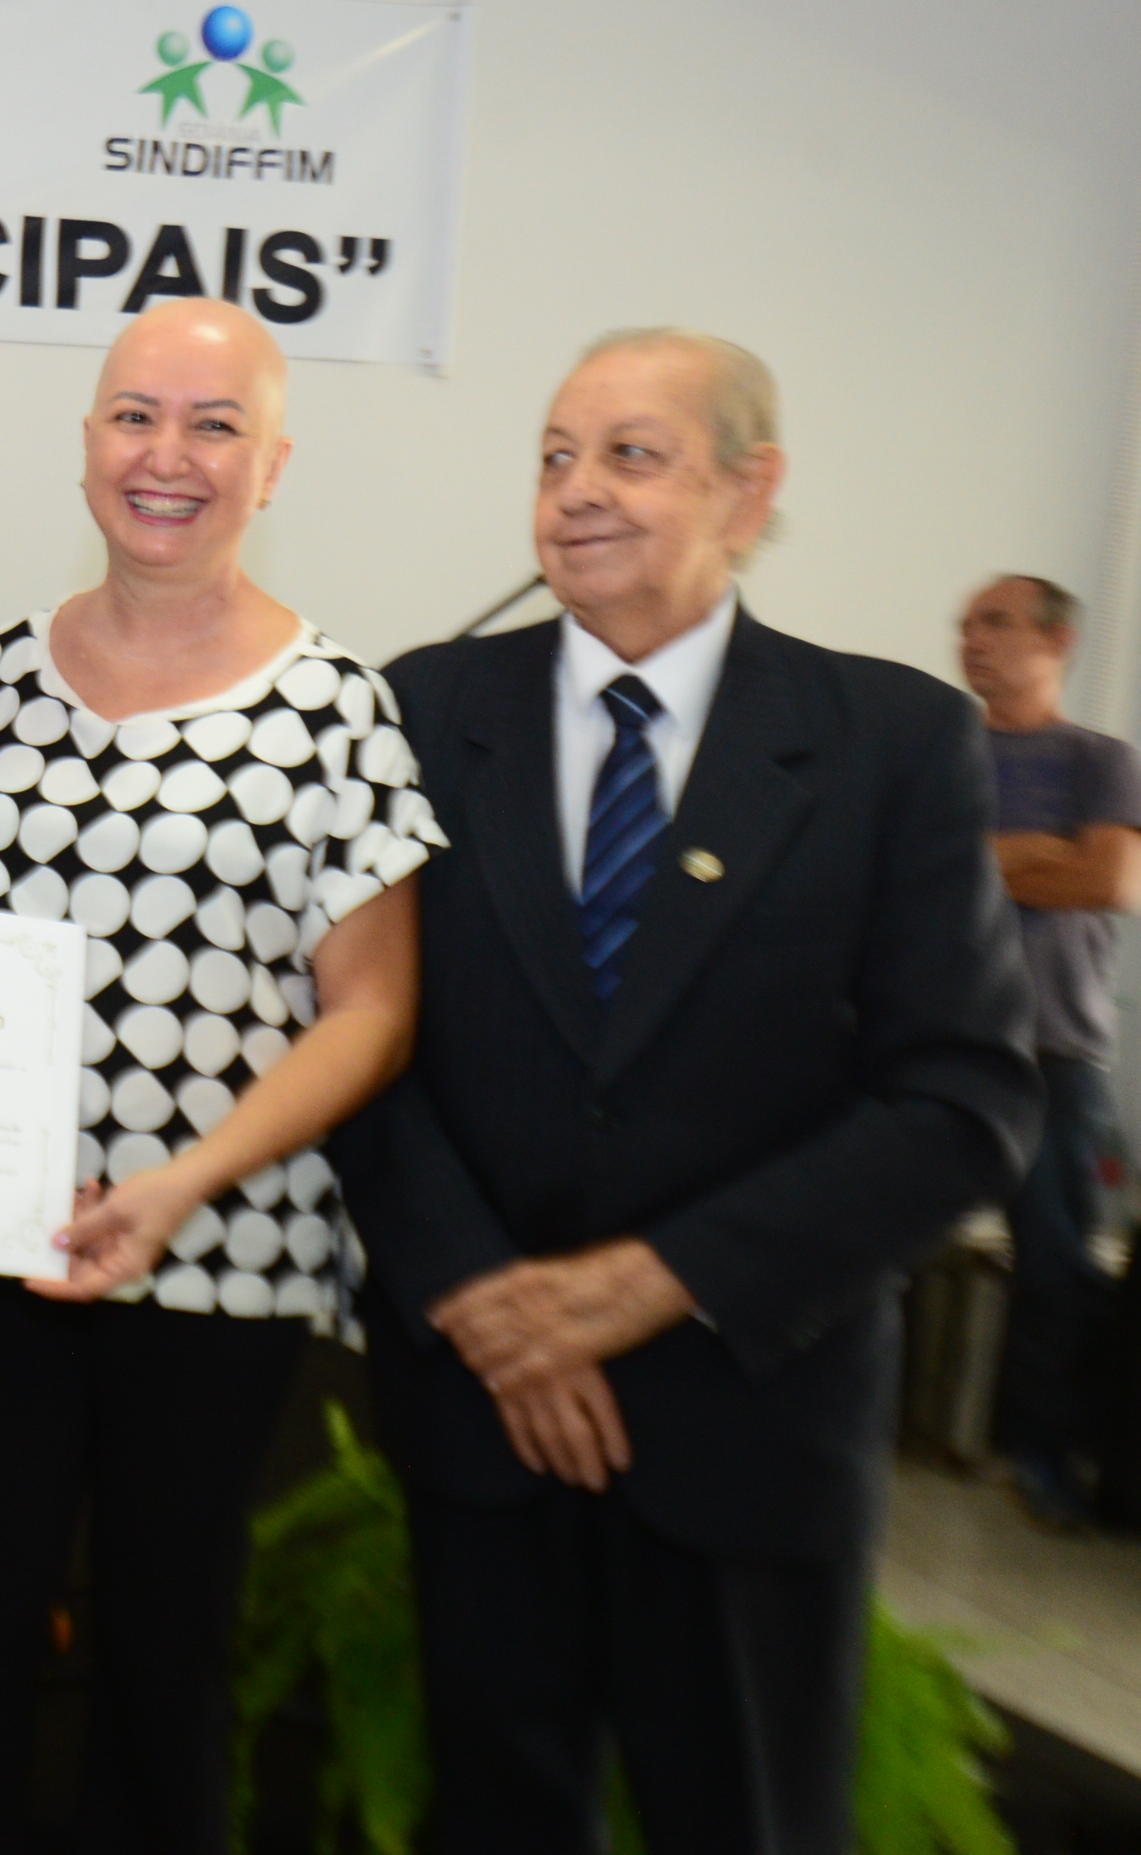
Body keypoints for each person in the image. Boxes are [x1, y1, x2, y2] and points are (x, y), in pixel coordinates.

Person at [340, 328, 1038, 1854]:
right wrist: (489, 1306)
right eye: (554, 456)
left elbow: (964, 1101)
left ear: (750, 488)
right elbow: (358, 1048)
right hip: (484, 1421)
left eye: (631, 455)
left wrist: (649, 1284)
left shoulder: (892, 743)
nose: (577, 489)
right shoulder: (419, 712)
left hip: (747, 1434)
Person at [0, 300, 440, 1851]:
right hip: (3, 1249)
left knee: (166, 1652)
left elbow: (373, 1012)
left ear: (274, 463)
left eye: (215, 425)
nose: (168, 456)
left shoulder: (336, 707)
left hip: (220, 1259)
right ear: (88, 444)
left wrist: (178, 1183)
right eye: (137, 416)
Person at [958, 573, 1141, 1527]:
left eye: (996, 622)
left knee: (1059, 1263)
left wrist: (985, 856)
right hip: (933, 1041)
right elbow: (912, 875)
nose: (973, 639)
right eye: (966, 625)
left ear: (1057, 642)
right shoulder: (939, 748)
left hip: (1057, 1052)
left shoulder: (1101, 760)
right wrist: (1034, 851)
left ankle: (1039, 1455)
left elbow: (1109, 884)